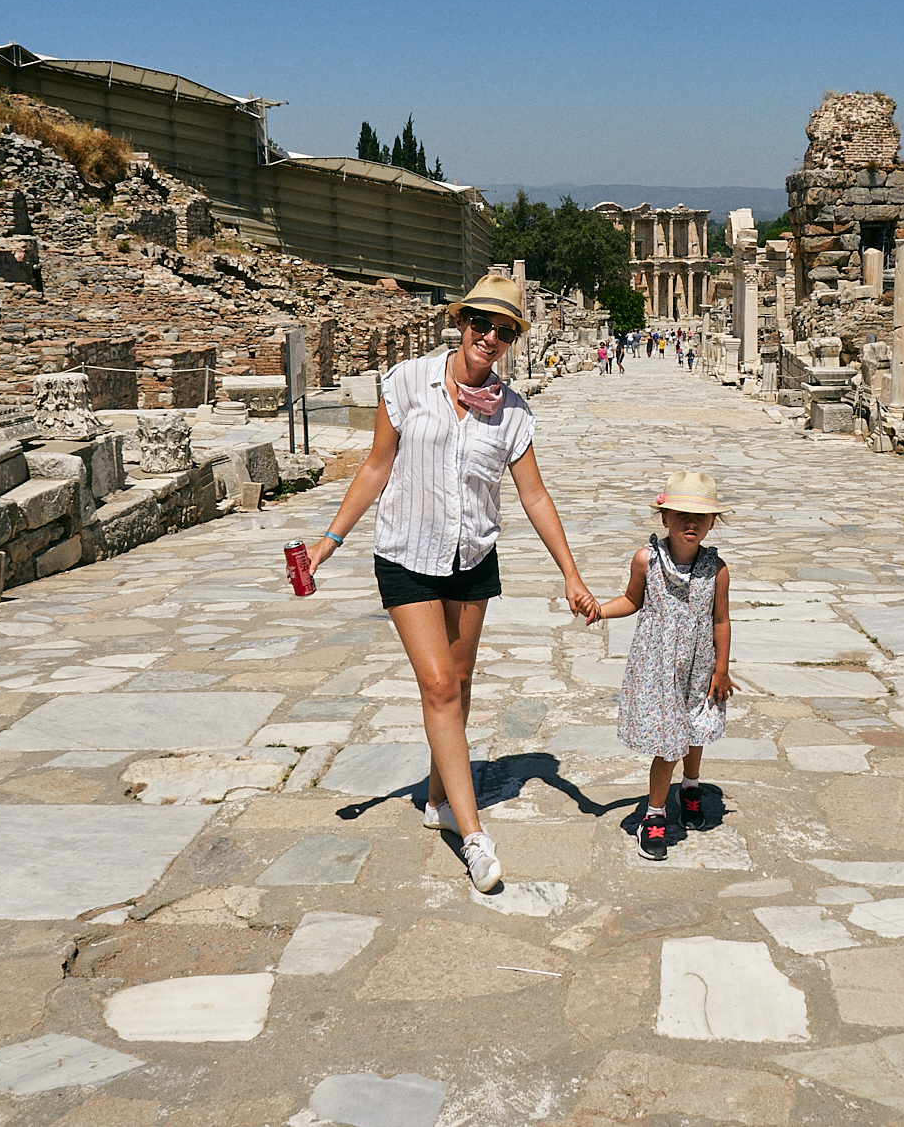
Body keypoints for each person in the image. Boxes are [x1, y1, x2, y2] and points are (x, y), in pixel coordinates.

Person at [305, 273, 597, 893]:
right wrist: (328, 541)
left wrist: (570, 573)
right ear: (461, 323)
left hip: (472, 560)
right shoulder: (407, 382)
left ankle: (439, 796)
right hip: (406, 556)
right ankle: (474, 836)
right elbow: (376, 467)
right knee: (438, 684)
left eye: (503, 331)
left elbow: (535, 496)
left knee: (458, 688)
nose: (489, 338)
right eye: (480, 324)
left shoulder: (513, 412)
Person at [594, 471, 734, 861]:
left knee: (694, 729)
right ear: (664, 518)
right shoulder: (646, 560)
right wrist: (600, 610)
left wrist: (721, 669)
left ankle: (690, 787)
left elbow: (720, 620)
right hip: (657, 668)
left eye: (701, 518)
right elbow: (631, 600)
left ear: (711, 523)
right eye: (680, 515)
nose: (691, 524)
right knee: (668, 744)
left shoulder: (716, 569)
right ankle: (654, 814)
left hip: (699, 665)